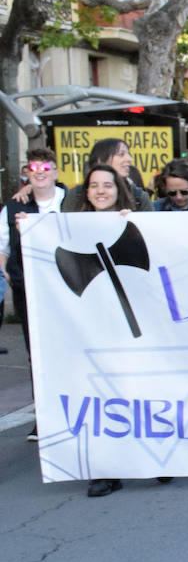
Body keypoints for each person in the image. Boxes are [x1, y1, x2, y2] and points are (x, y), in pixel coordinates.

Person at [74, 165, 137, 497]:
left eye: (107, 185)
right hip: (90, 330)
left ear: (118, 189)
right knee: (101, 399)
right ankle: (104, 470)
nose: (101, 191)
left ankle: (155, 461)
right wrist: (29, 229)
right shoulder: (66, 230)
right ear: (86, 192)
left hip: (133, 326)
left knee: (136, 394)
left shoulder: (135, 222)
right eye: (94, 186)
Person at [2, 148, 67, 442]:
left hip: (68, 289)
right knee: (37, 355)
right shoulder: (13, 207)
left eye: (45, 167)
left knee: (68, 350)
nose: (39, 172)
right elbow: (3, 246)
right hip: (29, 291)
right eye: (33, 168)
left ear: (55, 171)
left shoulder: (72, 201)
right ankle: (44, 418)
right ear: (27, 173)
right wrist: (6, 271)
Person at [60, 139, 154, 212]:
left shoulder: (139, 197)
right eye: (121, 154)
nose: (129, 159)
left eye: (108, 186)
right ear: (100, 160)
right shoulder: (77, 195)